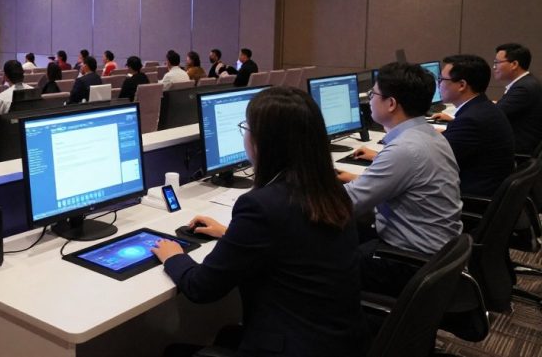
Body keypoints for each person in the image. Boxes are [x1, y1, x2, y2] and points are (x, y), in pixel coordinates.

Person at [151, 87, 366, 357]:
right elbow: (295, 241)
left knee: (173, 352)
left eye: (247, 128)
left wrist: (174, 256)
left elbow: (201, 288)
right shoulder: (330, 191)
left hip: (289, 346)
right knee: (226, 334)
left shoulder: (261, 206)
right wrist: (231, 234)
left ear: (266, 142)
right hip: (337, 341)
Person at [337, 62, 462, 298]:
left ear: (391, 103)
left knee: (319, 262)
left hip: (410, 262)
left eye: (373, 94)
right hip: (436, 253)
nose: (369, 100)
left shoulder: (404, 149)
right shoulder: (428, 135)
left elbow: (345, 204)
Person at [431, 54, 515, 196]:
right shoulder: (483, 108)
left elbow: (433, 161)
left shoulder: (471, 120)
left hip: (470, 197)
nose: (439, 84)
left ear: (462, 85)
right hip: (487, 187)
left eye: (441, 79)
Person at [493, 43, 542, 156]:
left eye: (497, 63)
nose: (494, 67)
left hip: (517, 151)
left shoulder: (523, 88)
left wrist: (455, 117)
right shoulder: (528, 82)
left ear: (514, 64)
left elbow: (494, 116)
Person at [0, 60, 33, 144]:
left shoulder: (1, 98)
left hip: (8, 143)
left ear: (5, 76)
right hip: (31, 138)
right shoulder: (34, 91)